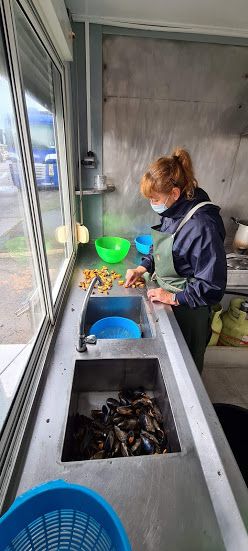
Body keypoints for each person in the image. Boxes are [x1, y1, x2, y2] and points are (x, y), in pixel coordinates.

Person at [125, 148, 227, 373]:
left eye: (155, 198)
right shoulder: (174, 210)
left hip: (190, 307)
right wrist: (142, 267)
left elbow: (212, 286)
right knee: (170, 363)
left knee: (186, 368)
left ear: (174, 192)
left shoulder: (203, 226)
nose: (152, 203)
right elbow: (164, 246)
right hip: (169, 298)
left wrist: (171, 297)